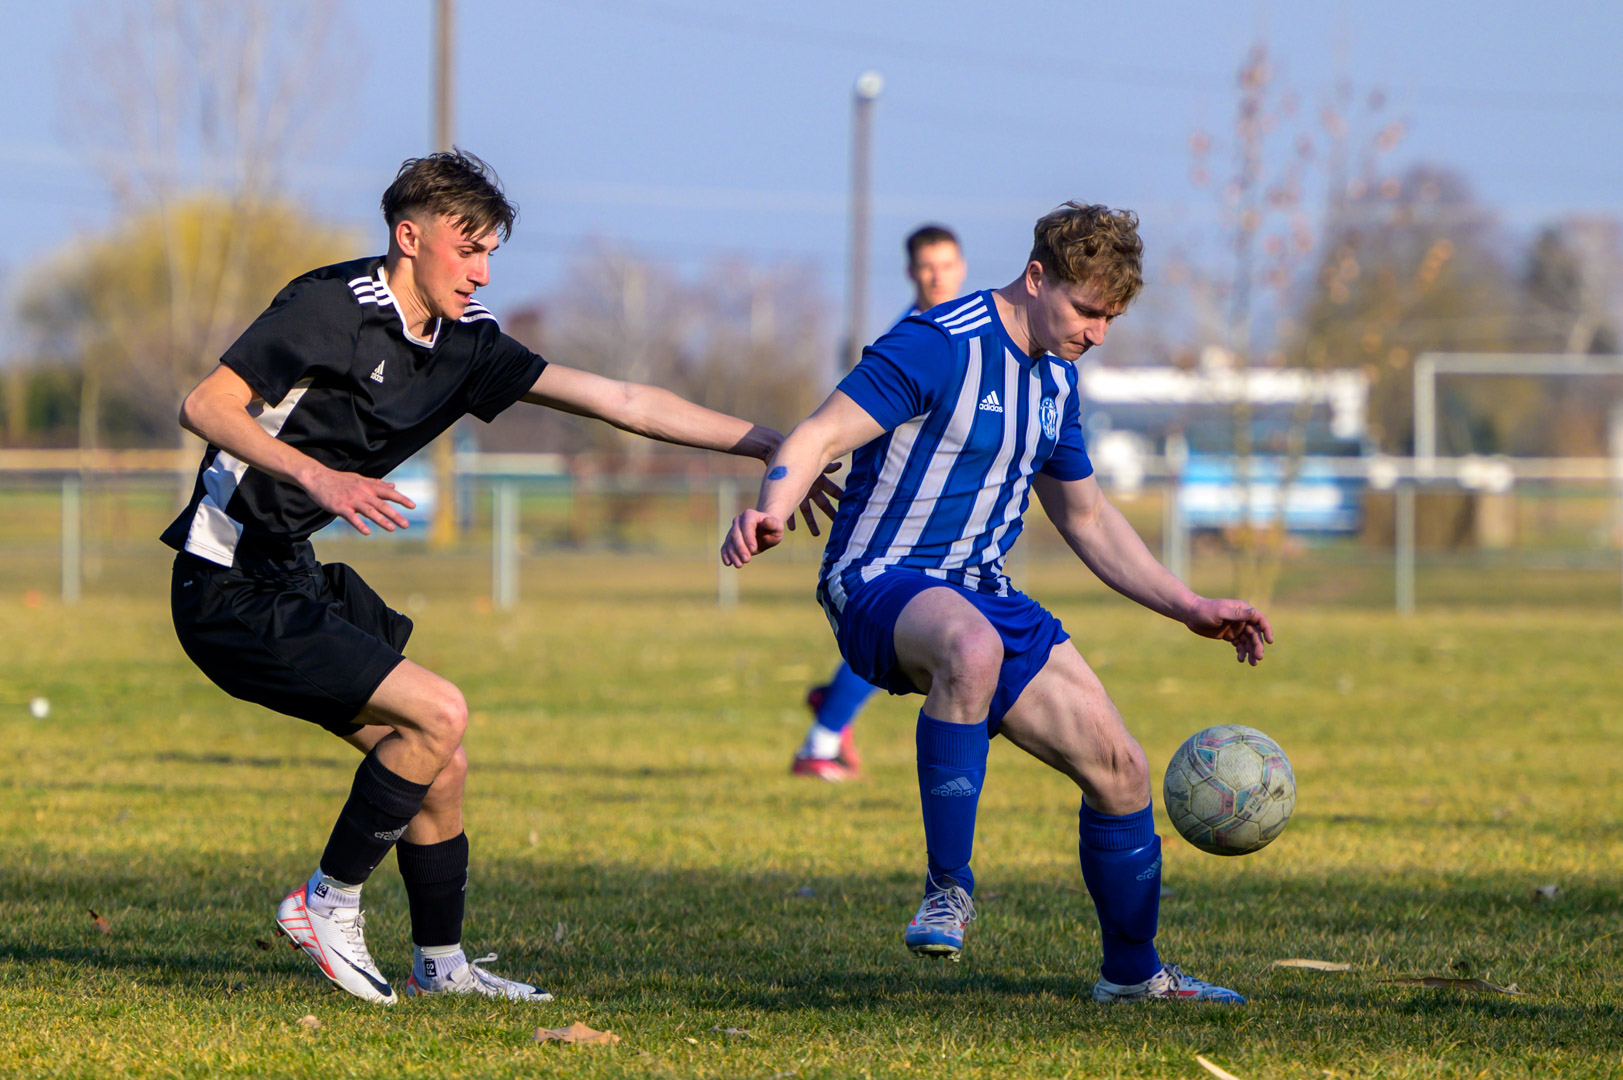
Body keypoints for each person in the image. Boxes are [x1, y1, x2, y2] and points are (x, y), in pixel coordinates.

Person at [162, 150, 834, 1006]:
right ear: (409, 237)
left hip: (291, 573)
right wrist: (318, 476)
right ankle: (325, 902)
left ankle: (440, 967)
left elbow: (623, 400)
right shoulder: (331, 306)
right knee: (440, 711)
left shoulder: (467, 347)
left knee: (440, 763)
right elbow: (205, 405)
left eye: (490, 255)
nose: (481, 273)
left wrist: (773, 445)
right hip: (225, 580)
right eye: (466, 250)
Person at [723, 203, 1272, 1003]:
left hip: (982, 591)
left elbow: (1086, 517)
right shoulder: (937, 342)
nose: (1097, 333)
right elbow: (818, 435)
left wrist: (1187, 605)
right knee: (970, 647)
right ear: (1036, 277)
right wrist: (772, 507)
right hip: (878, 577)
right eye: (1086, 311)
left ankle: (1132, 976)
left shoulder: (1056, 380)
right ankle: (947, 887)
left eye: (1111, 318)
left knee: (1121, 772)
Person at [792, 224, 968, 781]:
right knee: (899, 628)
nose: (937, 275)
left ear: (961, 267)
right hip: (899, 511)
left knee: (918, 632)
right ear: (911, 272)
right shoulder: (910, 339)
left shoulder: (968, 335)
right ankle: (820, 743)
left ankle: (833, 709)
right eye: (927, 266)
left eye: (946, 264)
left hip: (946, 511)